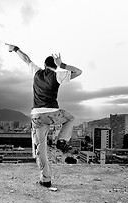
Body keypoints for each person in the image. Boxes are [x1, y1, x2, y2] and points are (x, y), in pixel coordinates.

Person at [6, 44, 82, 188]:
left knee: (41, 149)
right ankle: (62, 140)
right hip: (52, 113)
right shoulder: (58, 75)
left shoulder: (37, 72)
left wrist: (15, 49)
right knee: (70, 118)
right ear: (55, 66)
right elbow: (78, 72)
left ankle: (45, 179)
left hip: (36, 116)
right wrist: (62, 64)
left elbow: (27, 59)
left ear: (44, 65)